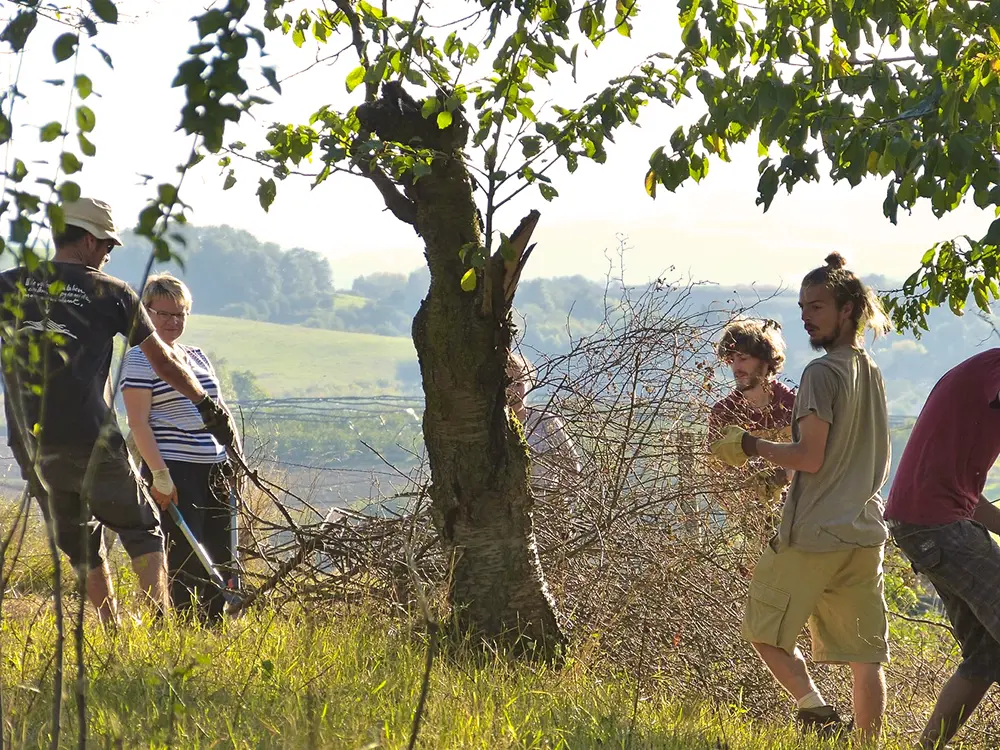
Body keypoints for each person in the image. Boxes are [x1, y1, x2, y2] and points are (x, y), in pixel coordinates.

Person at [0, 198, 234, 623]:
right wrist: (206, 404)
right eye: (107, 243)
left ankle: (112, 629)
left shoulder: (9, 284)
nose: (109, 252)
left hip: (30, 444)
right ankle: (155, 626)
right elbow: (163, 361)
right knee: (143, 529)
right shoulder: (111, 292)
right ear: (89, 240)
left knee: (81, 540)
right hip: (91, 440)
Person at [710, 253, 892, 742]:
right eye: (802, 306)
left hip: (814, 532)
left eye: (817, 306)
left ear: (849, 309)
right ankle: (867, 744)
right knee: (865, 655)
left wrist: (748, 446)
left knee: (762, 629)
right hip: (865, 531)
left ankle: (815, 711)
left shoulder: (820, 374)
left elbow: (808, 458)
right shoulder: (869, 368)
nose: (806, 316)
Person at [884, 349, 1000, 749]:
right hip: (938, 526)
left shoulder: (975, 377)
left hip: (924, 524)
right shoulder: (995, 368)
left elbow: (967, 499)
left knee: (987, 657)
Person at [121, 273, 239, 622]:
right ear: (146, 313)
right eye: (164, 314)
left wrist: (234, 458)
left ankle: (215, 628)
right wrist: (160, 476)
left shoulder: (197, 356)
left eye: (180, 314)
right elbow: (138, 422)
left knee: (221, 552)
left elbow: (218, 409)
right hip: (174, 467)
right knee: (188, 554)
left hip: (214, 465)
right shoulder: (140, 358)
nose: (173, 321)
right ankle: (187, 630)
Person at [710, 318, 796, 516]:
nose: (736, 367)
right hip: (748, 520)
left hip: (799, 518)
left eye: (743, 358)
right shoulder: (723, 414)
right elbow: (716, 479)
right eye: (731, 359)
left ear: (766, 360)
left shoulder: (795, 407)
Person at [506, 351, 583, 532]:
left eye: (519, 384)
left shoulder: (546, 422)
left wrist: (567, 512)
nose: (514, 391)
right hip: (507, 525)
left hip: (550, 521)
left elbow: (573, 466)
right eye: (508, 384)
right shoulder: (489, 428)